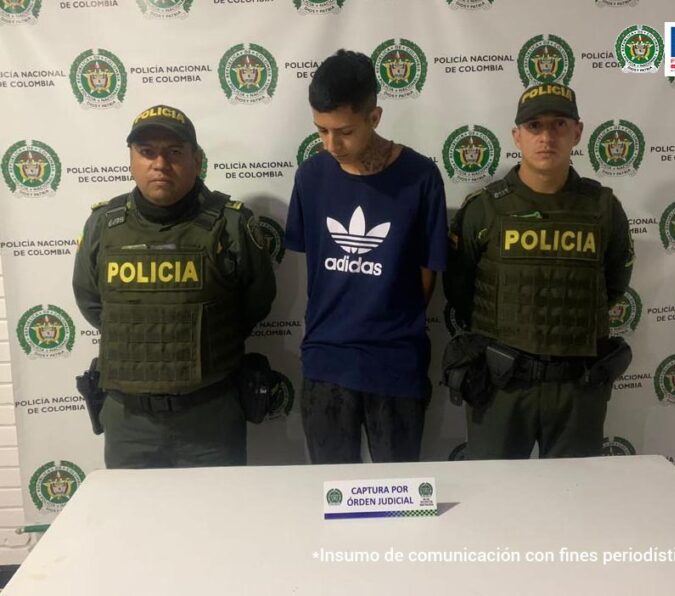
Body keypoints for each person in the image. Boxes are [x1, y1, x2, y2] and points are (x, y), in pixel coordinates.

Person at [73, 104, 276, 469]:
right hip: (129, 423)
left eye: (174, 152)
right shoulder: (103, 225)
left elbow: (256, 303)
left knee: (214, 524)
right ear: (131, 160)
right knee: (134, 523)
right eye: (147, 152)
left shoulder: (231, 225)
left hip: (209, 419)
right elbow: (91, 302)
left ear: (197, 160)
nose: (160, 164)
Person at [444, 83, 634, 459]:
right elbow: (459, 288)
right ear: (517, 135)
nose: (546, 137)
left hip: (577, 387)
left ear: (578, 132)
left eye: (559, 125)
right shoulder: (484, 209)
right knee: (492, 497)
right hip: (500, 385)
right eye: (534, 126)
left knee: (573, 503)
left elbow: (613, 285)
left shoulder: (604, 209)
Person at [285, 50, 448, 464]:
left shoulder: (421, 177)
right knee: (329, 495)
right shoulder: (311, 176)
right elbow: (313, 269)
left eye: (344, 131)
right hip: (326, 361)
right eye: (321, 131)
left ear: (374, 118)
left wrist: (390, 322)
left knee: (398, 499)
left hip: (395, 362)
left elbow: (427, 275)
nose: (331, 145)